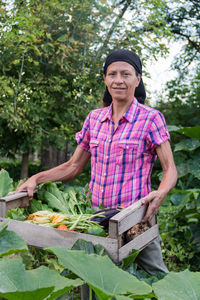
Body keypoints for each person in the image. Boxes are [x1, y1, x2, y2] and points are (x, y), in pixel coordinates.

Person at [17, 49, 177, 277]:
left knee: (156, 277)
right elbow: (73, 166)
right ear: (105, 79)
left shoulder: (151, 118)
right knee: (95, 280)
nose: (118, 80)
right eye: (112, 74)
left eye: (126, 74)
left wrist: (160, 193)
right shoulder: (94, 118)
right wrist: (36, 178)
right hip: (95, 220)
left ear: (137, 79)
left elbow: (170, 169)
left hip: (135, 219)